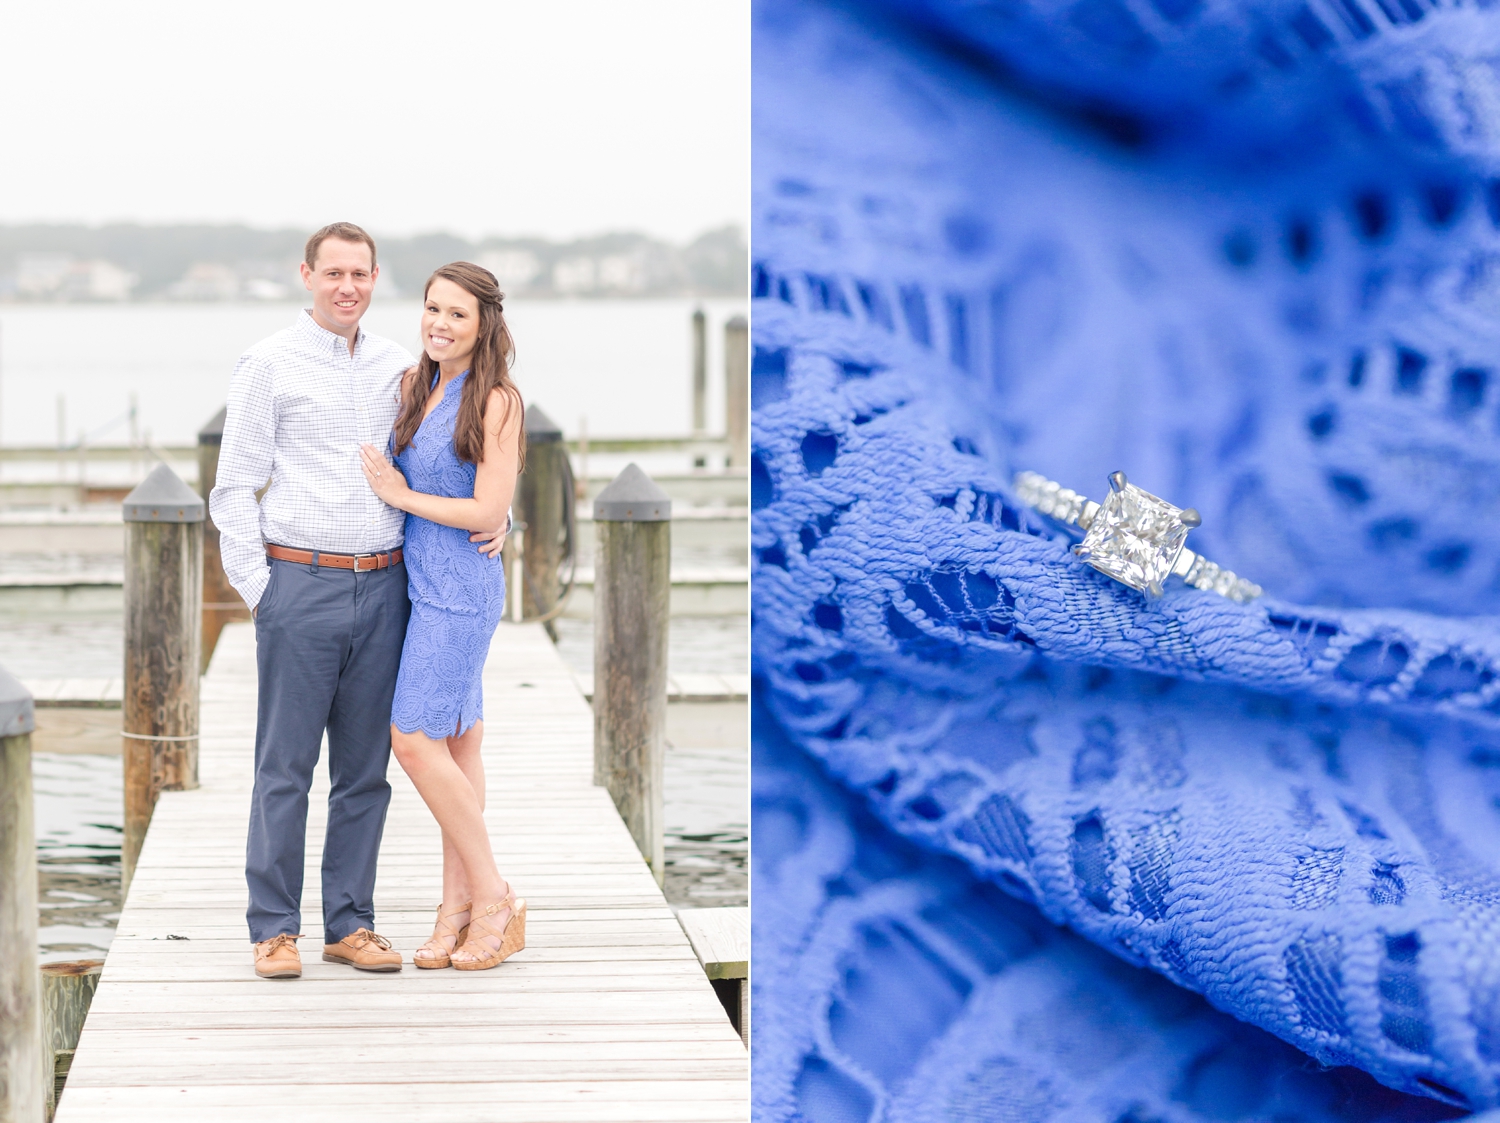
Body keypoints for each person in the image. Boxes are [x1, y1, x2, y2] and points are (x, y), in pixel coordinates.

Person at [210, 224, 507, 980]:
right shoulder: (266, 364)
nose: (348, 285)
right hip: (297, 583)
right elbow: (232, 485)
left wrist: (502, 519)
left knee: (366, 768)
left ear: (376, 279)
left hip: (388, 585)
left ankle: (351, 922)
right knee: (284, 765)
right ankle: (274, 929)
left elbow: (455, 459)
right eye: (333, 272)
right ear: (307, 274)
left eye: (361, 273)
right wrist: (261, 589)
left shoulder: (401, 369)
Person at [359, 262, 526, 970]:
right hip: (415, 581)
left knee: (414, 740)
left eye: (457, 313)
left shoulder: (497, 399)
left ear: (484, 322)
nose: (439, 323)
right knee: (458, 743)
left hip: (460, 588)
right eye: (432, 308)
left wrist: (401, 495)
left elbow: (487, 509)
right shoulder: (415, 384)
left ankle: (494, 896)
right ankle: (454, 910)